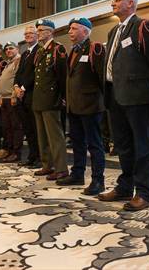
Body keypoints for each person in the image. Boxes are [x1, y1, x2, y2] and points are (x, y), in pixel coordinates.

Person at [97, 0, 149, 210]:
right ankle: (125, 187)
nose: (112, 3)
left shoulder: (143, 26)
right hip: (116, 94)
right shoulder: (114, 30)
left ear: (130, 3)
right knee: (123, 145)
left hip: (138, 96)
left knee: (143, 146)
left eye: (117, 0)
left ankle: (144, 193)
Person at [60, 17, 106, 195]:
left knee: (94, 145)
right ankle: (77, 174)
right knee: (78, 142)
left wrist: (104, 103)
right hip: (74, 105)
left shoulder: (95, 48)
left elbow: (102, 78)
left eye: (74, 28)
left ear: (85, 31)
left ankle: (98, 180)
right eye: (70, 28)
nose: (69, 32)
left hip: (90, 105)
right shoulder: (74, 50)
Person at [31, 19, 69, 181]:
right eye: (37, 30)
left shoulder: (58, 49)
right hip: (39, 98)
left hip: (52, 99)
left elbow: (63, 76)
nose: (38, 33)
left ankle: (61, 168)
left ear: (51, 32)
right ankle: (47, 165)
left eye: (41, 30)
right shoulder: (41, 50)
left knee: (55, 136)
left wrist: (63, 97)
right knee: (42, 136)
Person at [13, 26, 42, 168]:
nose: (28, 35)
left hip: (32, 94)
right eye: (26, 33)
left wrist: (23, 88)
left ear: (37, 35)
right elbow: (19, 73)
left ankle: (39, 158)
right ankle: (31, 156)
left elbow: (35, 73)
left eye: (31, 33)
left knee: (36, 129)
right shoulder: (25, 53)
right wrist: (16, 86)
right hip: (22, 96)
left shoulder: (40, 51)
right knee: (28, 129)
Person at [0, 42, 23, 163]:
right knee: (7, 126)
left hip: (12, 98)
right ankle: (10, 150)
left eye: (11, 48)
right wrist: (1, 95)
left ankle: (16, 153)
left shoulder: (19, 61)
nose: (8, 50)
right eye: (6, 49)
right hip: (5, 98)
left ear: (17, 49)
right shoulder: (9, 63)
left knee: (15, 126)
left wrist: (13, 95)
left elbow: (18, 79)